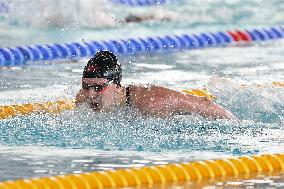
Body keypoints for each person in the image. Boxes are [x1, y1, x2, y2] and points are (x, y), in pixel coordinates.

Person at [76, 51, 237, 120]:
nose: (90, 94)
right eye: (86, 86)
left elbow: (202, 104)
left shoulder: (151, 101)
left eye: (98, 87)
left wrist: (235, 125)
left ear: (117, 86)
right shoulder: (82, 99)